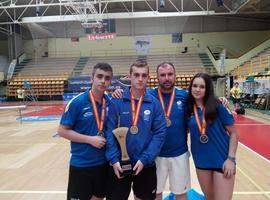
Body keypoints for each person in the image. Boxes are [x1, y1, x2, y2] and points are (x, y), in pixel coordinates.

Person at [112, 63, 229, 200]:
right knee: (156, 194)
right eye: (162, 75)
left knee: (181, 194)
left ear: (175, 76)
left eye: (170, 74)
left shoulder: (185, 97)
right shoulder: (148, 96)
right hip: (155, 156)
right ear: (156, 77)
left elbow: (202, 102)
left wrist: (219, 100)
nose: (166, 78)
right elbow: (131, 97)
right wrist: (117, 93)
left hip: (179, 154)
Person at [105, 60, 167, 200]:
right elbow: (109, 131)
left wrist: (145, 159)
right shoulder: (117, 100)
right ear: (130, 76)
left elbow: (160, 133)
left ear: (148, 78)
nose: (140, 79)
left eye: (144, 75)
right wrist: (114, 159)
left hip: (145, 165)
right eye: (136, 75)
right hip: (119, 164)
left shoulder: (154, 104)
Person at [58, 63, 113, 200]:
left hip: (102, 164)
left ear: (110, 82)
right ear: (92, 78)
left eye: (107, 78)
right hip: (81, 165)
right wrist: (90, 139)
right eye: (99, 76)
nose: (102, 81)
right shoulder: (77, 102)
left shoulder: (110, 102)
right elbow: (62, 131)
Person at [186, 73, 238, 200]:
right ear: (191, 87)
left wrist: (230, 159)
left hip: (222, 161)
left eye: (202, 87)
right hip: (201, 162)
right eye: (195, 86)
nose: (197, 89)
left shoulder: (218, 106)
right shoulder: (187, 109)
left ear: (208, 89)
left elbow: (234, 133)